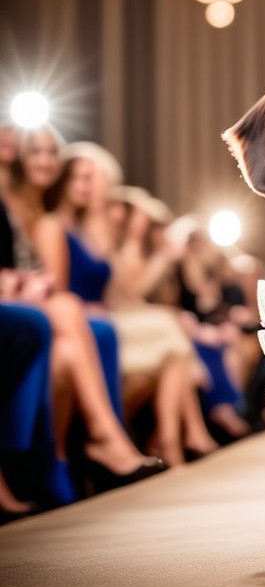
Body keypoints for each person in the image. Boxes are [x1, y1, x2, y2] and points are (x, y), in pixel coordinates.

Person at [2, 128, 161, 497]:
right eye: (34, 152)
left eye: (49, 153)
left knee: (78, 343)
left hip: (53, 311)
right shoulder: (43, 218)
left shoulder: (45, 212)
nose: (43, 161)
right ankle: (98, 442)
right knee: (74, 313)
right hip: (43, 308)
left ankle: (70, 458)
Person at [42, 151, 218, 467]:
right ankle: (172, 439)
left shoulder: (89, 230)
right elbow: (59, 293)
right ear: (64, 180)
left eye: (92, 180)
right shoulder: (57, 226)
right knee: (169, 328)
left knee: (171, 335)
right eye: (80, 178)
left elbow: (121, 290)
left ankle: (173, 439)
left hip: (104, 314)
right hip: (85, 318)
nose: (86, 187)